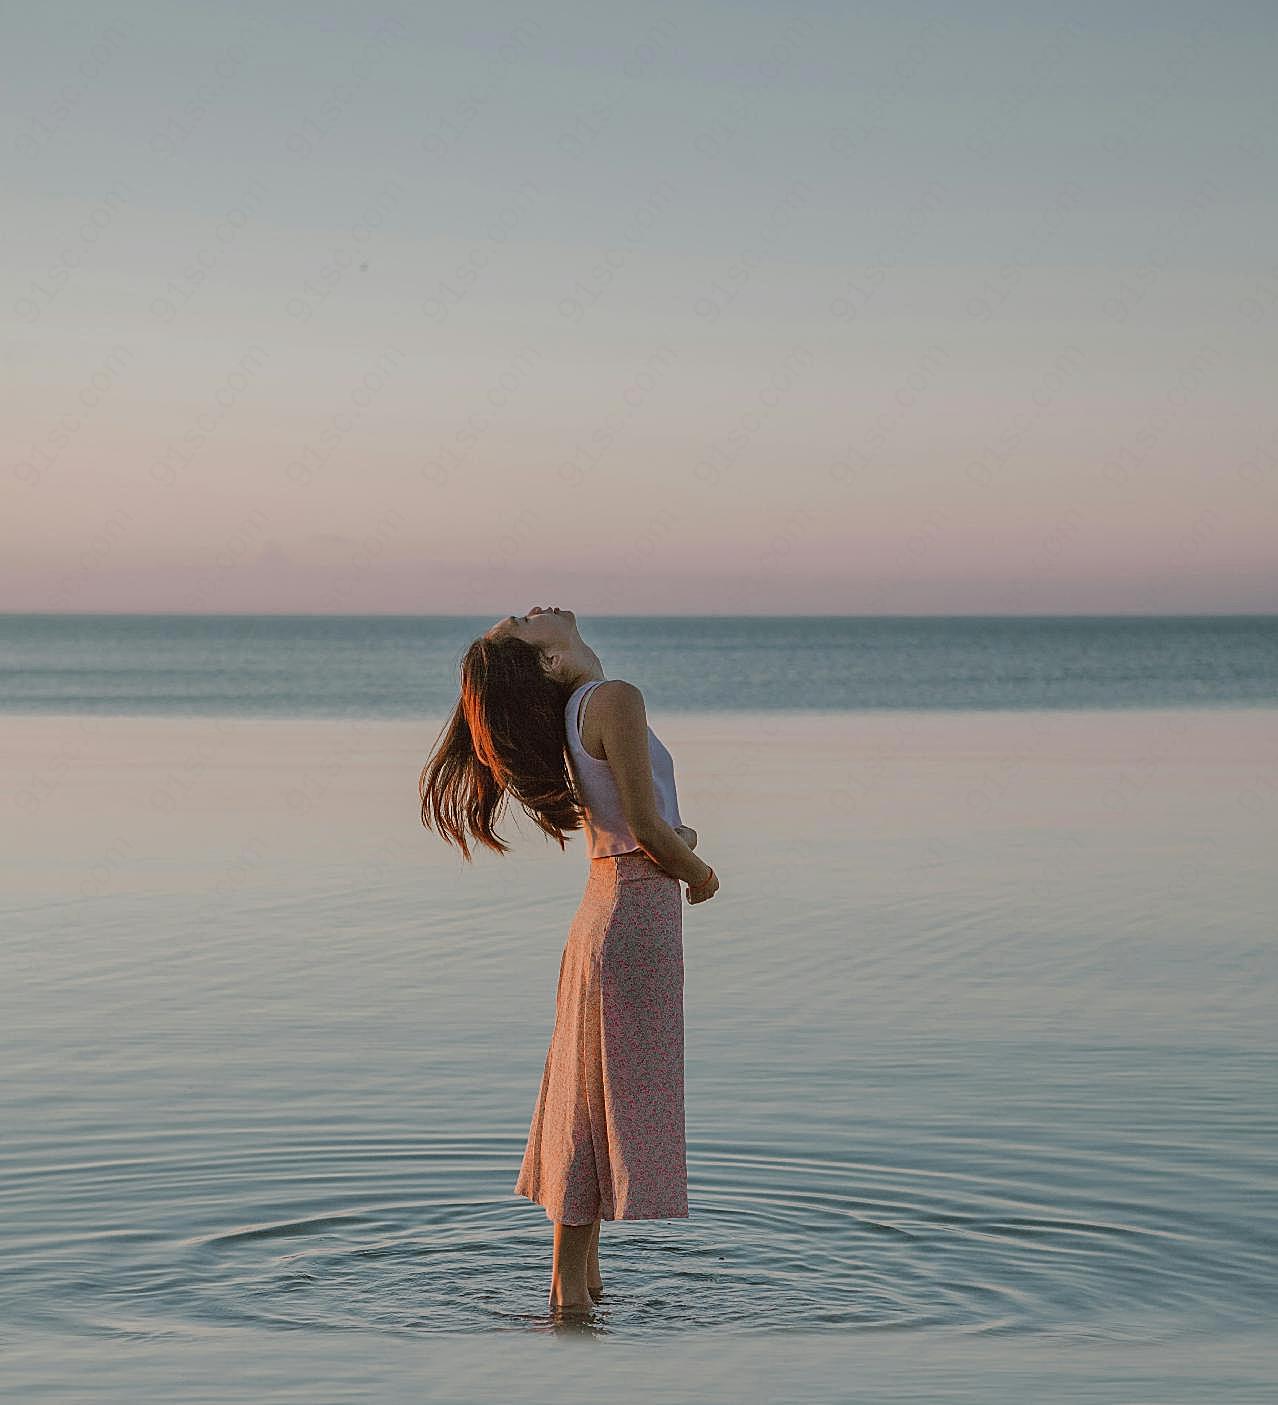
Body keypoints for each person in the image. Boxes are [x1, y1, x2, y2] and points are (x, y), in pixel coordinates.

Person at [419, 605, 718, 1317]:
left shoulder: (582, 709)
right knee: (597, 1103)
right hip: (637, 914)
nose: (530, 610)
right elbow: (645, 829)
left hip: (603, 910)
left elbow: (635, 821)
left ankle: (579, 1295)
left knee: (588, 1102)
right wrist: (701, 873)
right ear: (549, 661)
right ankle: (569, 1297)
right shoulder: (613, 699)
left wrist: (675, 836)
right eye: (519, 626)